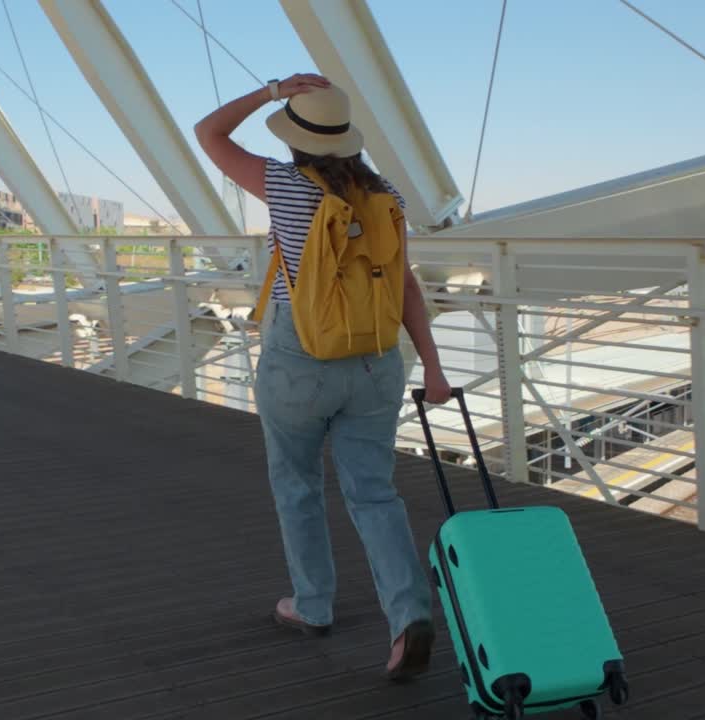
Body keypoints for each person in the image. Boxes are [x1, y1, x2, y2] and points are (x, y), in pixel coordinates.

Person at [194, 73, 451, 681]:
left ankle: (312, 604)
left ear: (296, 138)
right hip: (375, 361)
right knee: (374, 493)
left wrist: (270, 91)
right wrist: (434, 368)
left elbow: (208, 131)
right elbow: (407, 286)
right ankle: (408, 616)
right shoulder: (387, 195)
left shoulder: (283, 183)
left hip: (300, 359)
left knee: (298, 484)